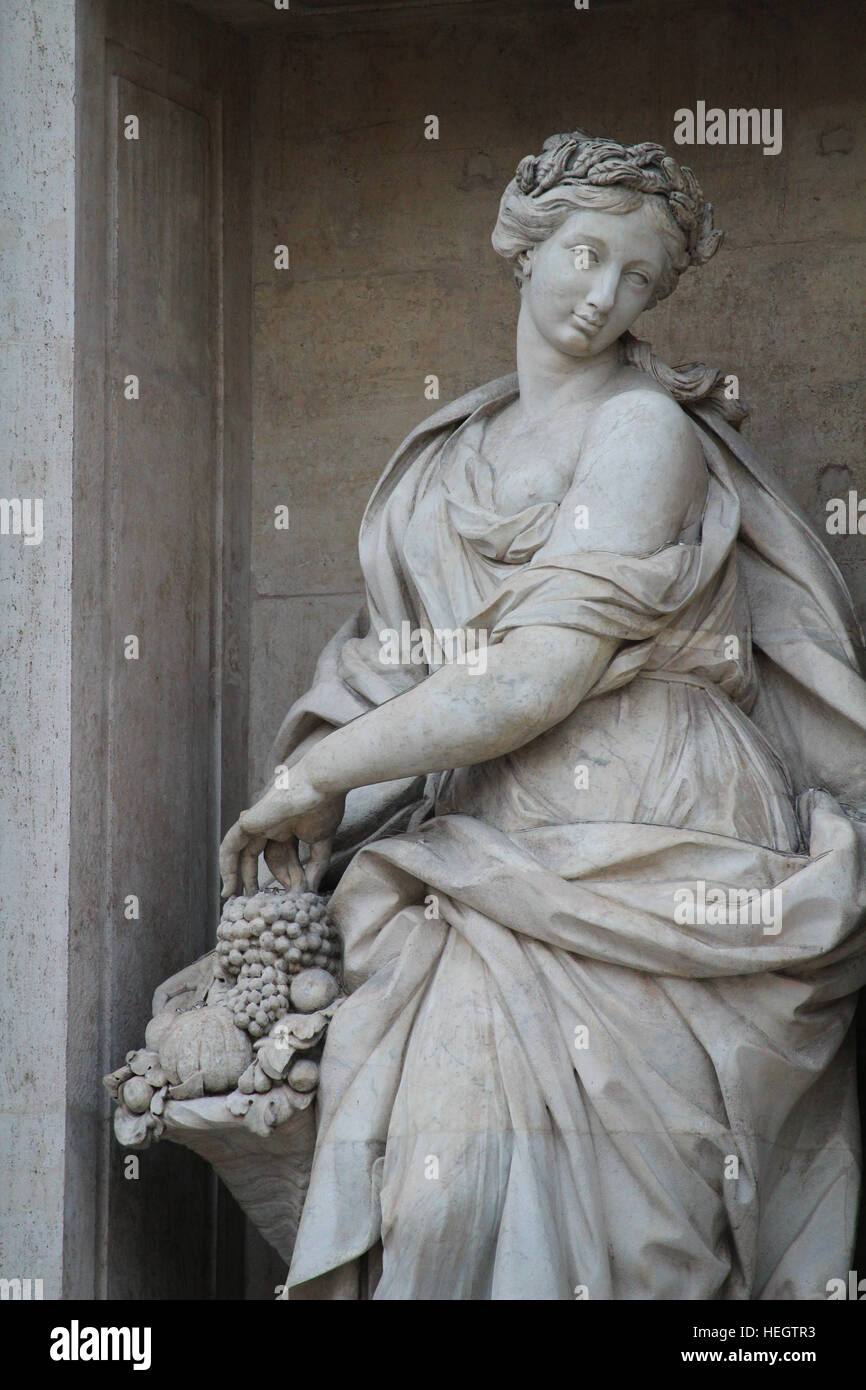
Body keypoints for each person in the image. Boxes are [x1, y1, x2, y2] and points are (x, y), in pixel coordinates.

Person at [219, 130, 866, 1300]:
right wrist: (334, 769)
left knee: (639, 1236)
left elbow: (531, 678)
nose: (603, 295)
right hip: (482, 846)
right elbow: (394, 666)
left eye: (639, 280)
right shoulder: (440, 461)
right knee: (439, 1193)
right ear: (520, 245)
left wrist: (315, 779)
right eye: (585, 254)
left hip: (649, 824)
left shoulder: (642, 431)